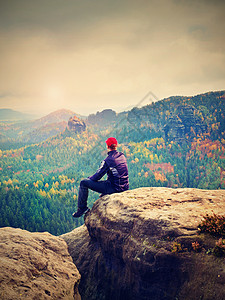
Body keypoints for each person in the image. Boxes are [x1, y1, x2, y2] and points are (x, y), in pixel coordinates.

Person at [72, 137, 129, 218]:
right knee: (111, 177)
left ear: (107, 146)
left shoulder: (108, 160)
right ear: (116, 146)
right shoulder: (122, 156)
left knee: (83, 183)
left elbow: (97, 177)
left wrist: (89, 178)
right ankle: (106, 192)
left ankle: (82, 209)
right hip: (125, 187)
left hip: (115, 188)